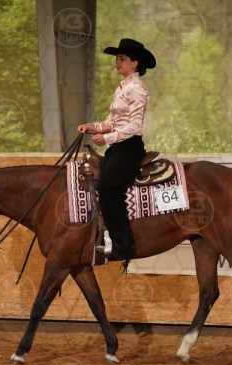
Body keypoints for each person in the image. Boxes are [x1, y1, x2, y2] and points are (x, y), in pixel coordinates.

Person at [77, 38, 156, 261]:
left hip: (129, 148)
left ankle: (122, 246)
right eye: (117, 58)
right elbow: (112, 121)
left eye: (122, 58)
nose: (117, 62)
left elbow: (134, 126)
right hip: (118, 147)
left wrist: (107, 137)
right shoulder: (122, 87)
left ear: (134, 63)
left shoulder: (136, 89)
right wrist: (92, 126)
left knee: (109, 188)